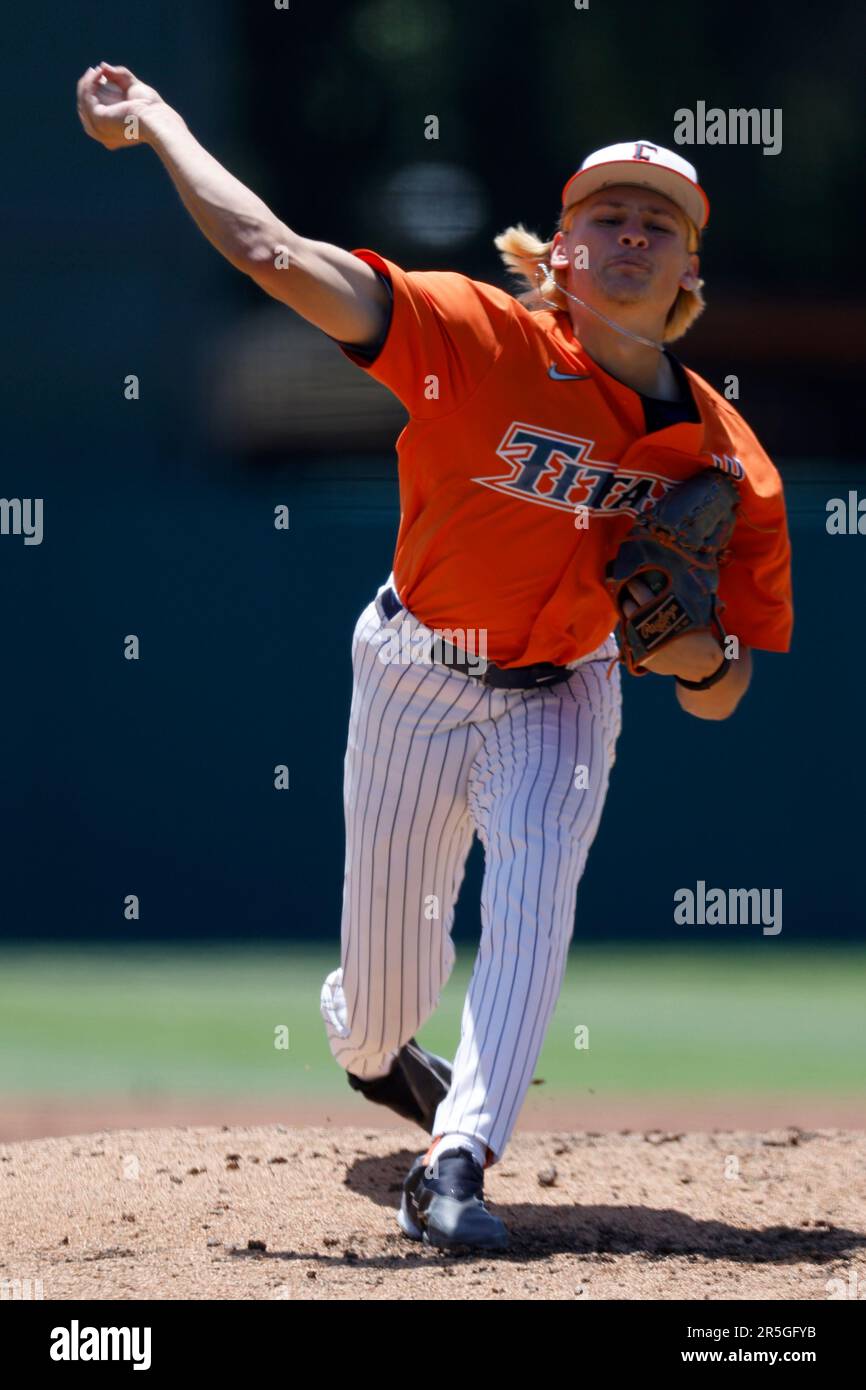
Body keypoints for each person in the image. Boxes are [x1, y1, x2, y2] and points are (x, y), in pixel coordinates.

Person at [77, 67, 793, 1253]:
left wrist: (693, 655)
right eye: (603, 215)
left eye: (656, 222)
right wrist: (158, 120)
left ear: (687, 277)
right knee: (374, 1019)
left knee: (531, 898)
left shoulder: (725, 461)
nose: (629, 231)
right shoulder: (472, 334)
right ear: (559, 255)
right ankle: (378, 1057)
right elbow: (267, 250)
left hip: (564, 690)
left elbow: (724, 696)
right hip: (413, 670)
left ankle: (455, 1159)